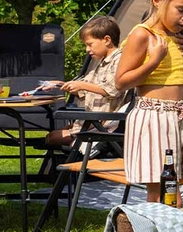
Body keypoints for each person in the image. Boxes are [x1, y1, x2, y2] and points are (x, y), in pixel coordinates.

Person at [115, 0, 183, 206]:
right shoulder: (142, 35)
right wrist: (153, 61)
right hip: (153, 117)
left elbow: (177, 80)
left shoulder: (175, 38)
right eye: (181, 10)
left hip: (173, 117)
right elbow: (121, 82)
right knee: (162, 191)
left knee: (172, 188)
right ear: (158, 2)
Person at [44, 16, 128, 147]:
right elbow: (86, 87)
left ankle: (72, 160)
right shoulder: (101, 63)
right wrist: (64, 85)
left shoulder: (119, 61)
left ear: (107, 40)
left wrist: (82, 85)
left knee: (53, 137)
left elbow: (113, 90)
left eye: (90, 44)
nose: (87, 49)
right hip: (92, 122)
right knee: (56, 133)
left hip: (102, 126)